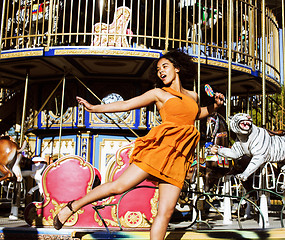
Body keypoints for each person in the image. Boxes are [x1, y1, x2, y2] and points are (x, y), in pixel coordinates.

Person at [53, 49, 224, 239]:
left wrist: (215, 106)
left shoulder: (193, 96)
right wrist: (94, 108)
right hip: (160, 150)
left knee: (165, 213)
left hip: (179, 156)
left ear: (177, 68)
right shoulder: (159, 93)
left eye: (165, 67)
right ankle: (73, 206)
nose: (161, 71)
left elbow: (195, 114)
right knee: (118, 186)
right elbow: (126, 104)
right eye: (158, 69)